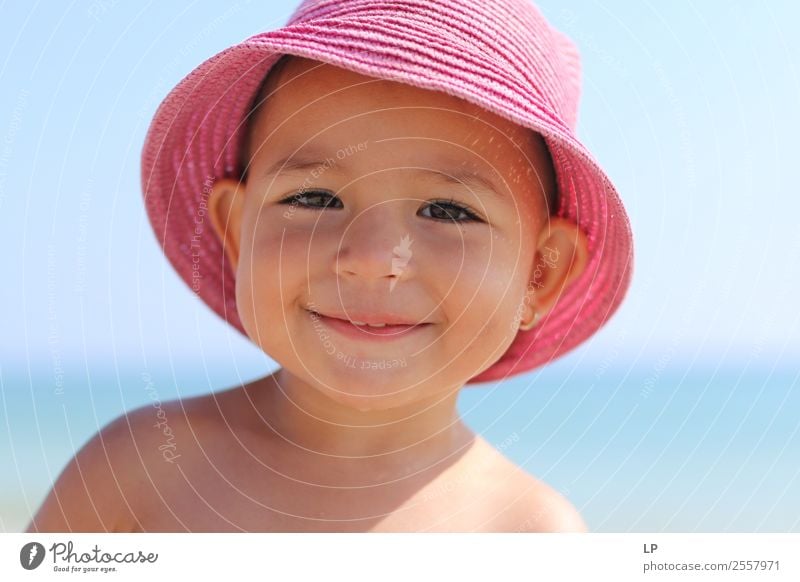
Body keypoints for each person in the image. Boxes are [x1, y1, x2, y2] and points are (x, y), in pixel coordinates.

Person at [27, 0, 633, 532]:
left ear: (541, 273)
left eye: (447, 210)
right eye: (313, 199)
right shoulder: (140, 470)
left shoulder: (527, 536)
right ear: (239, 232)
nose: (371, 261)